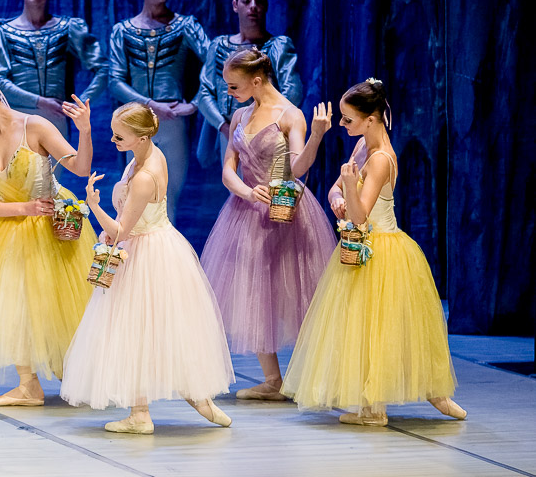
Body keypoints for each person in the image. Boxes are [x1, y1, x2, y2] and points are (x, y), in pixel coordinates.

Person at [280, 79, 466, 426]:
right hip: (360, 246)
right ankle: (372, 406)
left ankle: (401, 402)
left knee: (385, 327)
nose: (342, 124)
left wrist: (350, 190)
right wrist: (339, 196)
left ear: (370, 119)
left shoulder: (381, 159)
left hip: (381, 250)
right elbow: (337, 189)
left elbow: (361, 215)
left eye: (348, 119)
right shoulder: (362, 146)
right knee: (362, 327)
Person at [60, 102, 234, 434]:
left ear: (141, 137)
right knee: (143, 330)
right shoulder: (145, 155)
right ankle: (159, 408)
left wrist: (94, 206)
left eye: (119, 136)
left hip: (147, 253)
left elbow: (122, 231)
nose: (113, 141)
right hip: (148, 245)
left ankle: (181, 403)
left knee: (142, 328)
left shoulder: (145, 175)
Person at [0, 71, 96, 406]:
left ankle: (75, 369)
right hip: (8, 227)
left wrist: (84, 131)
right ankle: (28, 385)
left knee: (57, 302)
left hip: (51, 227)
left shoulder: (34, 126)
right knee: (14, 306)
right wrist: (24, 208)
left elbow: (80, 168)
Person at [199, 47, 335, 401]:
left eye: (233, 86)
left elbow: (297, 168)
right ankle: (273, 380)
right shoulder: (240, 115)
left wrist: (317, 135)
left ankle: (319, 376)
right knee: (252, 290)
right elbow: (228, 169)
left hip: (286, 212)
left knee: (298, 292)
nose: (228, 92)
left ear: (257, 81)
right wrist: (247, 192)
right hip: (246, 211)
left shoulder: (290, 115)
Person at [108, 0, 209, 223]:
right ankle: (131, 249)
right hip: (134, 122)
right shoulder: (122, 31)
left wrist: (196, 103)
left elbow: (216, 63)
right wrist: (150, 104)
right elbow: (115, 81)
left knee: (167, 197)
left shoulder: (185, 26)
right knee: (131, 196)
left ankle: (165, 250)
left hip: (172, 121)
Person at [0, 0, 107, 140]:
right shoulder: (2, 32)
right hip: (15, 118)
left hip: (55, 119)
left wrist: (79, 103)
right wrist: (40, 102)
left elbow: (103, 68)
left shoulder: (68, 28)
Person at [196, 0, 303, 167]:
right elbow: (204, 92)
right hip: (227, 132)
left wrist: (269, 124)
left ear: (266, 6)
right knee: (232, 182)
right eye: (246, 1)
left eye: (259, 1)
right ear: (235, 5)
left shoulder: (277, 46)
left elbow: (292, 90)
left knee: (265, 182)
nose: (253, 6)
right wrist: (224, 127)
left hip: (267, 135)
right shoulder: (219, 45)